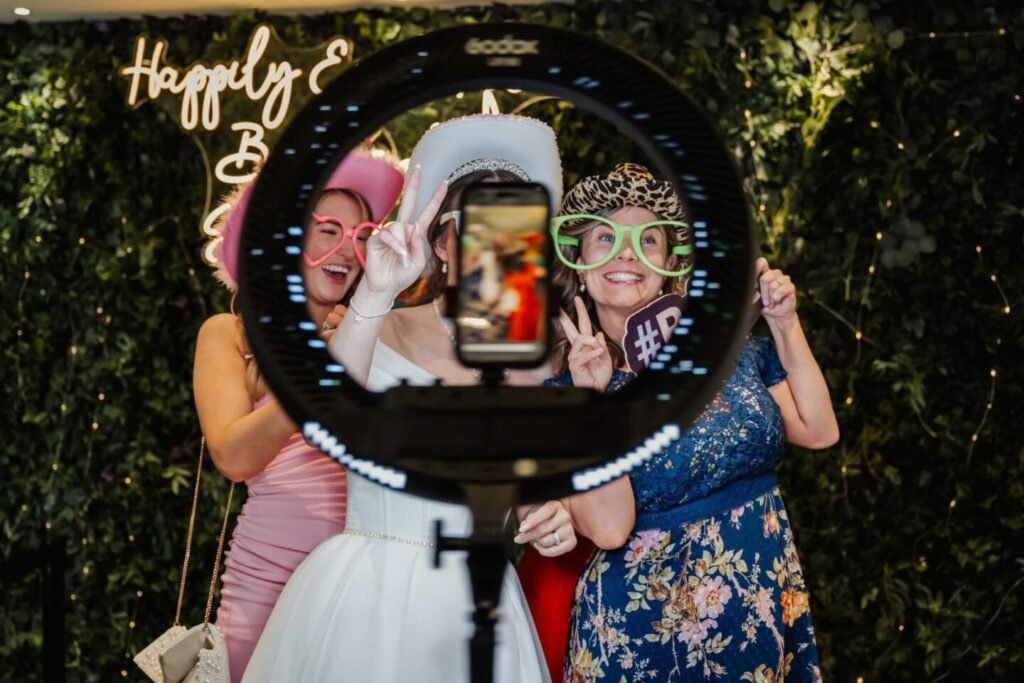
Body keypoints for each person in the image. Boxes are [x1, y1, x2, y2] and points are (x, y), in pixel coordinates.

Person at [242, 114, 574, 683]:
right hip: (363, 591)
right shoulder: (377, 323)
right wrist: (375, 292)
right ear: (441, 241)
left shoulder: (547, 354)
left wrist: (553, 515)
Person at [520, 163, 839, 682]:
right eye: (606, 236)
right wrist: (593, 397)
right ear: (578, 261)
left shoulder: (726, 353)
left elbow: (819, 428)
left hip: (759, 619)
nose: (627, 252)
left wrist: (785, 323)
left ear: (669, 263)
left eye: (648, 238)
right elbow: (608, 527)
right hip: (640, 642)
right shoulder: (565, 400)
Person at [192, 148, 404, 680]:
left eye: (360, 237)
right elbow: (233, 455)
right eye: (328, 229)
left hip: (356, 591)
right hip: (264, 586)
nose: (346, 250)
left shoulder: (375, 338)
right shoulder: (230, 335)